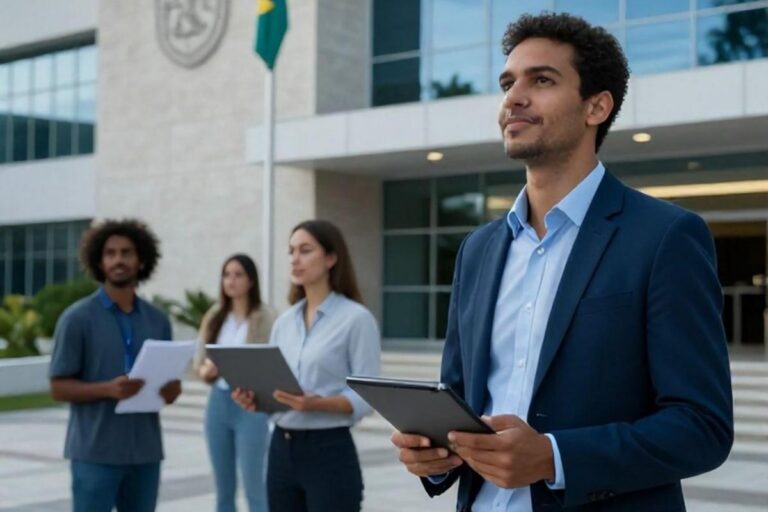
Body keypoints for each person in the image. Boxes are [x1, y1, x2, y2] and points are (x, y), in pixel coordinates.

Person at [391, 12, 733, 512]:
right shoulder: (479, 250)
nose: (514, 97)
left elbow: (702, 426)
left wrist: (554, 457)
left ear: (596, 106)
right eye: (508, 83)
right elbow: (462, 400)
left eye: (542, 80)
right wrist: (438, 454)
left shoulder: (664, 237)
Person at [232, 220, 381, 512]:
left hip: (329, 452)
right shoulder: (284, 322)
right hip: (280, 450)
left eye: (305, 250)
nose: (294, 259)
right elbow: (278, 387)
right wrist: (257, 400)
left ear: (331, 258)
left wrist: (318, 403)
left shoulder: (356, 319)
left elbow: (368, 395)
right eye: (291, 251)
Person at [49, 219, 182, 512]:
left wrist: (171, 391)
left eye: (127, 252)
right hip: (95, 454)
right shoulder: (77, 319)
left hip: (145, 454)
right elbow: (58, 387)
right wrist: (107, 389)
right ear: (99, 261)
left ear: (141, 259)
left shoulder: (157, 320)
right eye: (110, 253)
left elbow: (168, 390)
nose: (118, 260)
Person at [194, 254, 277, 512]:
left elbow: (274, 360)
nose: (231, 280)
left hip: (251, 404)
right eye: (226, 274)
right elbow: (199, 363)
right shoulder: (215, 316)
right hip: (218, 403)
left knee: (254, 486)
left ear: (251, 280)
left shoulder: (266, 316)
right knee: (223, 487)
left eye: (238, 274)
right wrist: (209, 371)